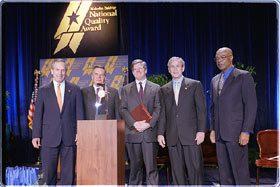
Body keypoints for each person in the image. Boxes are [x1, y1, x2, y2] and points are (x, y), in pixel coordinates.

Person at [210, 47, 257, 185]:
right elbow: (213, 107)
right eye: (217, 58)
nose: (219, 60)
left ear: (231, 58)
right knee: (224, 173)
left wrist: (246, 131)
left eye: (223, 57)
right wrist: (213, 129)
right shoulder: (214, 80)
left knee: (240, 172)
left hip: (237, 133)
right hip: (219, 134)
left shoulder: (243, 76)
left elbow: (251, 106)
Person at [32, 59, 84, 185]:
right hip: (48, 137)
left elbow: (80, 113)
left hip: (69, 137)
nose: (60, 73)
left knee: (68, 174)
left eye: (63, 70)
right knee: (49, 174)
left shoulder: (75, 89)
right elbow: (38, 115)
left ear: (66, 72)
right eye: (57, 69)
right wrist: (36, 135)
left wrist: (80, 132)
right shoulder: (43, 90)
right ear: (51, 71)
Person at [157, 56, 206, 185]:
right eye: (172, 66)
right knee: (177, 172)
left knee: (195, 170)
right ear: (168, 69)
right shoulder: (164, 89)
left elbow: (201, 110)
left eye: (177, 66)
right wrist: (160, 133)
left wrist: (201, 131)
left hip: (191, 136)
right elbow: (163, 114)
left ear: (183, 68)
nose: (175, 69)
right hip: (172, 136)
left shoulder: (195, 85)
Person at [120, 59, 160, 185]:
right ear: (132, 72)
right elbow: (123, 109)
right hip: (133, 133)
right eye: (135, 69)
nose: (137, 71)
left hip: (149, 133)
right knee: (134, 169)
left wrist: (148, 124)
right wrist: (134, 123)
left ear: (146, 70)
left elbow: (158, 108)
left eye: (140, 69)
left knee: (151, 168)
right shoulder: (126, 89)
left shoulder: (156, 88)